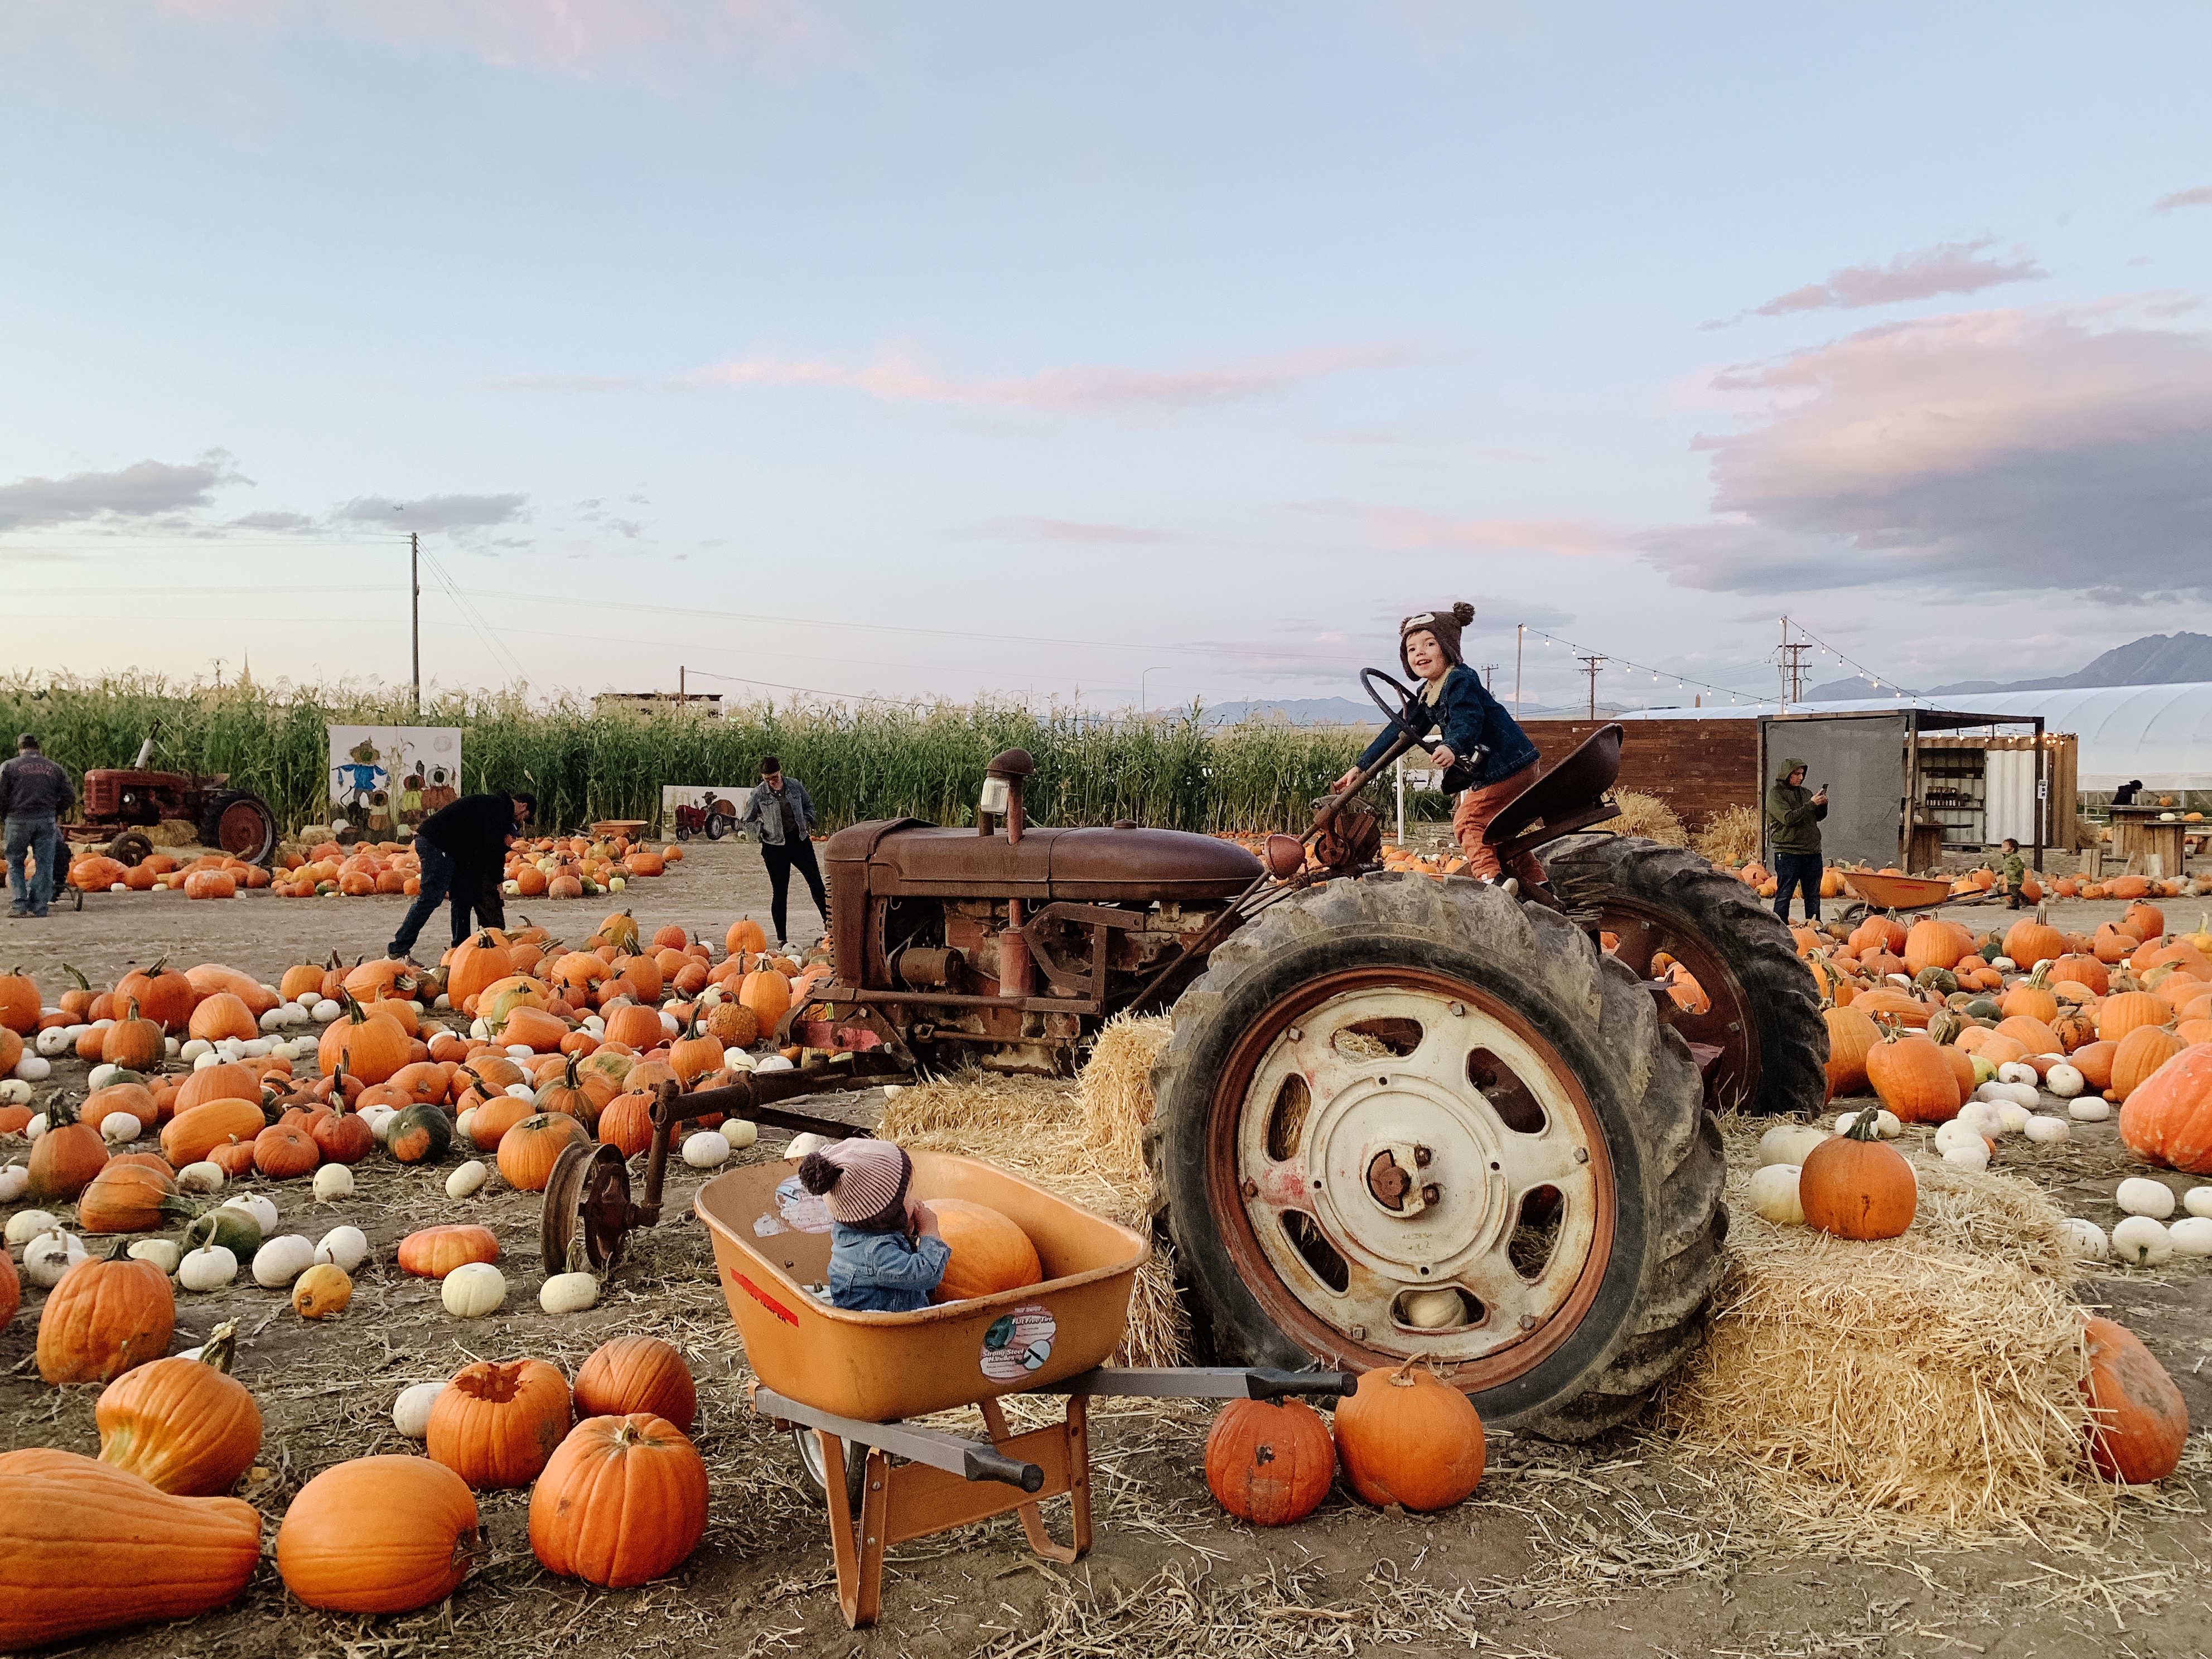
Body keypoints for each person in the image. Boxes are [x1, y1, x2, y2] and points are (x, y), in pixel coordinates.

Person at [1331, 602, 1547, 887]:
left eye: (1429, 644)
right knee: (1499, 834)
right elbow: (1398, 729)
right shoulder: (1428, 692)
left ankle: (1491, 882)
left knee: (1467, 822)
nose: (1419, 652)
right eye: (1411, 649)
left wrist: (1452, 745)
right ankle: (1542, 888)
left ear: (1447, 648)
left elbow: (1467, 719)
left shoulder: (1459, 681)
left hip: (1506, 767)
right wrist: (1361, 766)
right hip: (1508, 767)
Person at [799, 1139, 950, 1313]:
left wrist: (909, 1230)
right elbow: (927, 1274)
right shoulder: (875, 1253)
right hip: (886, 1334)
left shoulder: (856, 1226)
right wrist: (929, 1232)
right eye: (909, 1192)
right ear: (889, 1212)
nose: (915, 1198)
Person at [386, 790, 534, 962]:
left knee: (462, 896)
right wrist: (497, 882)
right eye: (524, 817)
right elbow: (492, 848)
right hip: (437, 844)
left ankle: (460, 949)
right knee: (430, 899)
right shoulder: (500, 809)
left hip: (451, 850)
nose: (520, 821)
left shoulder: (493, 805)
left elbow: (481, 846)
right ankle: (398, 950)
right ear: (523, 806)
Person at [740, 756, 827, 947]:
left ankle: (830, 928)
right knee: (780, 892)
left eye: (774, 777)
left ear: (780, 772)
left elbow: (809, 805)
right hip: (774, 847)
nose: (772, 782)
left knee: (816, 884)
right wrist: (761, 831)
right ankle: (782, 939)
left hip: (799, 841)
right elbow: (747, 821)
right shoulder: (758, 794)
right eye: (768, 779)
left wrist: (806, 820)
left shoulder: (794, 786)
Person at [3, 734, 75, 920]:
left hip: (17, 819)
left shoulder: (9, 766)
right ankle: (40, 906)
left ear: (20, 748)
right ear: (39, 747)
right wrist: (54, 810)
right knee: (45, 863)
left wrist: (5, 816)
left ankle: (19, 905)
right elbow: (69, 796)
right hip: (46, 820)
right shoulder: (54, 768)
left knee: (15, 862)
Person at [1765, 758, 1828, 924]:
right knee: (1785, 894)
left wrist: (1822, 805)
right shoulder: (1775, 795)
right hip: (1788, 853)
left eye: (1802, 774)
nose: (1800, 778)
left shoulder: (1806, 793)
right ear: (1786, 774)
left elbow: (1818, 817)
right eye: (1796, 774)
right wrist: (1811, 805)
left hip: (1812, 852)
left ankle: (1814, 927)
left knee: (1813, 895)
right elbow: (1788, 818)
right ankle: (1779, 928)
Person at [1997, 837, 2029, 910]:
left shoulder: (2014, 858)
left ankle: (2015, 905)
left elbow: (2021, 866)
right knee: (2012, 891)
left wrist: (2015, 872)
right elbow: (2006, 867)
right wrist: (2001, 872)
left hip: (2016, 879)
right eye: (2002, 847)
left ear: (2012, 849)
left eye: (2004, 847)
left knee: (2014, 893)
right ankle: (2024, 898)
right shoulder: (2007, 858)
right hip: (2010, 879)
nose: (2002, 848)